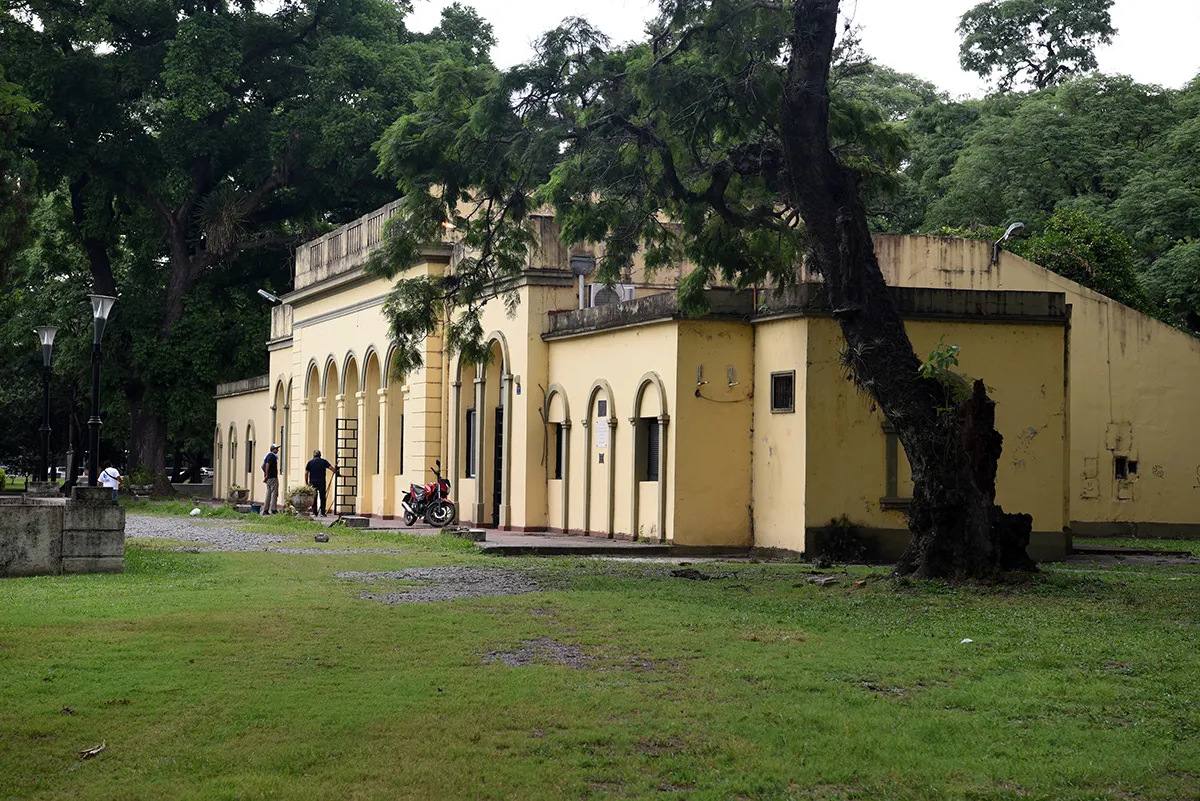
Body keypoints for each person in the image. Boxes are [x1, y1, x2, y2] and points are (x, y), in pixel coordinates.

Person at [304, 449, 338, 516]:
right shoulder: (323, 461)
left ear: (313, 455)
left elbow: (306, 473)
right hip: (321, 482)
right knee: (322, 497)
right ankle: (322, 512)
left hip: (313, 482)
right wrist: (336, 471)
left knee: (314, 497)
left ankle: (314, 512)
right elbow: (331, 468)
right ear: (320, 455)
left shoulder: (310, 462)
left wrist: (306, 482)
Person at [261, 444, 280, 515]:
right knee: (274, 493)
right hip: (272, 477)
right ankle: (273, 509)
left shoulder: (267, 456)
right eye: (276, 449)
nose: (277, 450)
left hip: (269, 478)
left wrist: (266, 475)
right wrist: (267, 475)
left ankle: (265, 510)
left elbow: (262, 466)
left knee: (268, 493)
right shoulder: (272, 456)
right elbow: (267, 465)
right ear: (273, 449)